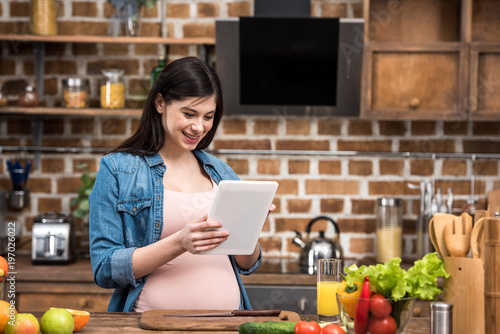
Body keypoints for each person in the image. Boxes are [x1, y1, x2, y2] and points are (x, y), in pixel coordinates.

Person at [89, 57, 273, 312]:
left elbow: (247, 264)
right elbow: (105, 269)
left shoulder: (221, 173)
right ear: (160, 103)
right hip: (149, 327)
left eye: (208, 117)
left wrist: (248, 228)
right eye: (189, 114)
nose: (199, 127)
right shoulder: (119, 169)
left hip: (227, 326)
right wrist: (179, 243)